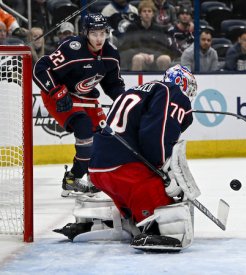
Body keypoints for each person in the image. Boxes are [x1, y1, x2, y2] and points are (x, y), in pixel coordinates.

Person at [54, 65, 199, 251]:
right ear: (183, 83)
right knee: (170, 213)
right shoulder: (173, 92)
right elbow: (155, 135)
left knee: (133, 209)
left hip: (99, 168)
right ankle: (155, 229)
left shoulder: (136, 90)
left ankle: (108, 223)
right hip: (125, 170)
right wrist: (163, 168)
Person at [33, 13, 126, 197]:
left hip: (86, 95)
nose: (99, 39)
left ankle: (90, 176)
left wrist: (125, 100)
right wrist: (57, 92)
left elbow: (113, 84)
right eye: (94, 34)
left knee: (103, 134)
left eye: (103, 33)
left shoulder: (111, 54)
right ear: (85, 33)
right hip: (59, 94)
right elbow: (40, 68)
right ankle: (73, 179)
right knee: (83, 126)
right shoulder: (72, 48)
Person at [119, 0, 180, 71]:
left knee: (165, 58)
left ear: (153, 14)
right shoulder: (132, 28)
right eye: (144, 11)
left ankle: (164, 81)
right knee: (138, 58)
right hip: (137, 58)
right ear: (140, 14)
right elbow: (126, 48)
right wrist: (140, 53)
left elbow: (164, 48)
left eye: (149, 11)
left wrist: (154, 55)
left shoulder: (159, 29)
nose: (147, 13)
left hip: (155, 59)